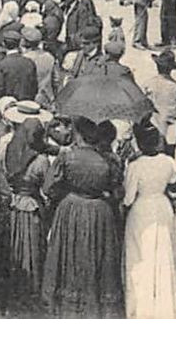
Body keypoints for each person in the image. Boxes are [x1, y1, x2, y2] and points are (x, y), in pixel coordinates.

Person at [40, 116, 124, 318]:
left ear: (79, 134)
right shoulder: (109, 159)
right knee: (97, 256)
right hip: (99, 212)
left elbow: (49, 188)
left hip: (71, 209)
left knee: (69, 255)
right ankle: (96, 305)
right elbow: (118, 191)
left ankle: (69, 307)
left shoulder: (67, 157)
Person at [124, 121, 176, 318]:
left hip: (142, 209)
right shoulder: (168, 162)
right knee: (165, 252)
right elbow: (174, 184)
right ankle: (166, 303)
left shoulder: (135, 166)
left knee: (141, 256)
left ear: (139, 144)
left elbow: (128, 197)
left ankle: (142, 306)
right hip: (162, 207)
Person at [0, 118, 53, 317]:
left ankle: (9, 295)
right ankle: (30, 294)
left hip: (12, 206)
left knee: (12, 248)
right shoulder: (41, 160)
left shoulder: (9, 150)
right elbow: (48, 187)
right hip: (31, 207)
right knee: (32, 250)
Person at [145, 50, 176, 157]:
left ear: (157, 67)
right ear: (171, 69)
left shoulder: (148, 85)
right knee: (168, 164)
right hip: (171, 134)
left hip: (151, 132)